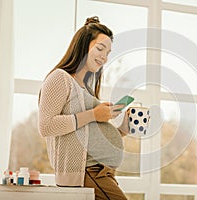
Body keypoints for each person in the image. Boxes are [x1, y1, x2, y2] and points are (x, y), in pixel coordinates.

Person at [38, 16, 129, 200]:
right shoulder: (60, 78)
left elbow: (89, 135)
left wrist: (122, 130)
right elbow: (46, 126)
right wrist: (94, 114)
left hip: (103, 172)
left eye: (108, 52)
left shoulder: (85, 88)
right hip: (86, 172)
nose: (104, 57)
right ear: (83, 46)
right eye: (100, 48)